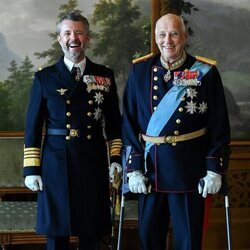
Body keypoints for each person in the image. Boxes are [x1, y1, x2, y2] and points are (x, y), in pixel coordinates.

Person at [122, 13, 230, 250]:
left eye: (173, 34)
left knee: (189, 241)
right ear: (155, 37)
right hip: (150, 174)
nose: (167, 40)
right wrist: (134, 168)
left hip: (190, 172)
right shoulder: (140, 71)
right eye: (162, 34)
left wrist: (214, 169)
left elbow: (219, 125)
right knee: (149, 239)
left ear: (184, 36)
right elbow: (129, 124)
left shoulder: (206, 72)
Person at [23, 11, 122, 250]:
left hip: (93, 161)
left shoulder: (104, 75)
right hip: (56, 164)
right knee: (57, 235)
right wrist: (31, 169)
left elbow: (114, 123)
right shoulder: (44, 78)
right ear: (59, 39)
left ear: (87, 38)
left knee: (91, 233)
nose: (73, 38)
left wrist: (116, 159)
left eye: (78, 32)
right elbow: (33, 127)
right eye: (67, 33)